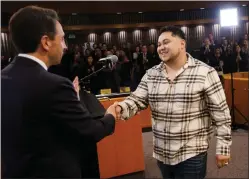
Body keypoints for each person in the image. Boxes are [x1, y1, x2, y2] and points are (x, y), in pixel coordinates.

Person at [1, 6, 118, 178]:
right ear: (46, 42)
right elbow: (90, 131)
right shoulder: (55, 86)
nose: (65, 46)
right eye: (62, 39)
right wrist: (111, 116)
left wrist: (70, 99)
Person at [114, 26, 232, 179]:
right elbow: (136, 100)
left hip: (192, 154)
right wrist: (120, 107)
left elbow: (221, 113)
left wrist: (223, 149)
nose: (161, 48)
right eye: (158, 45)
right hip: (162, 154)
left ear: (182, 44)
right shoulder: (151, 74)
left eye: (166, 42)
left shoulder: (205, 73)